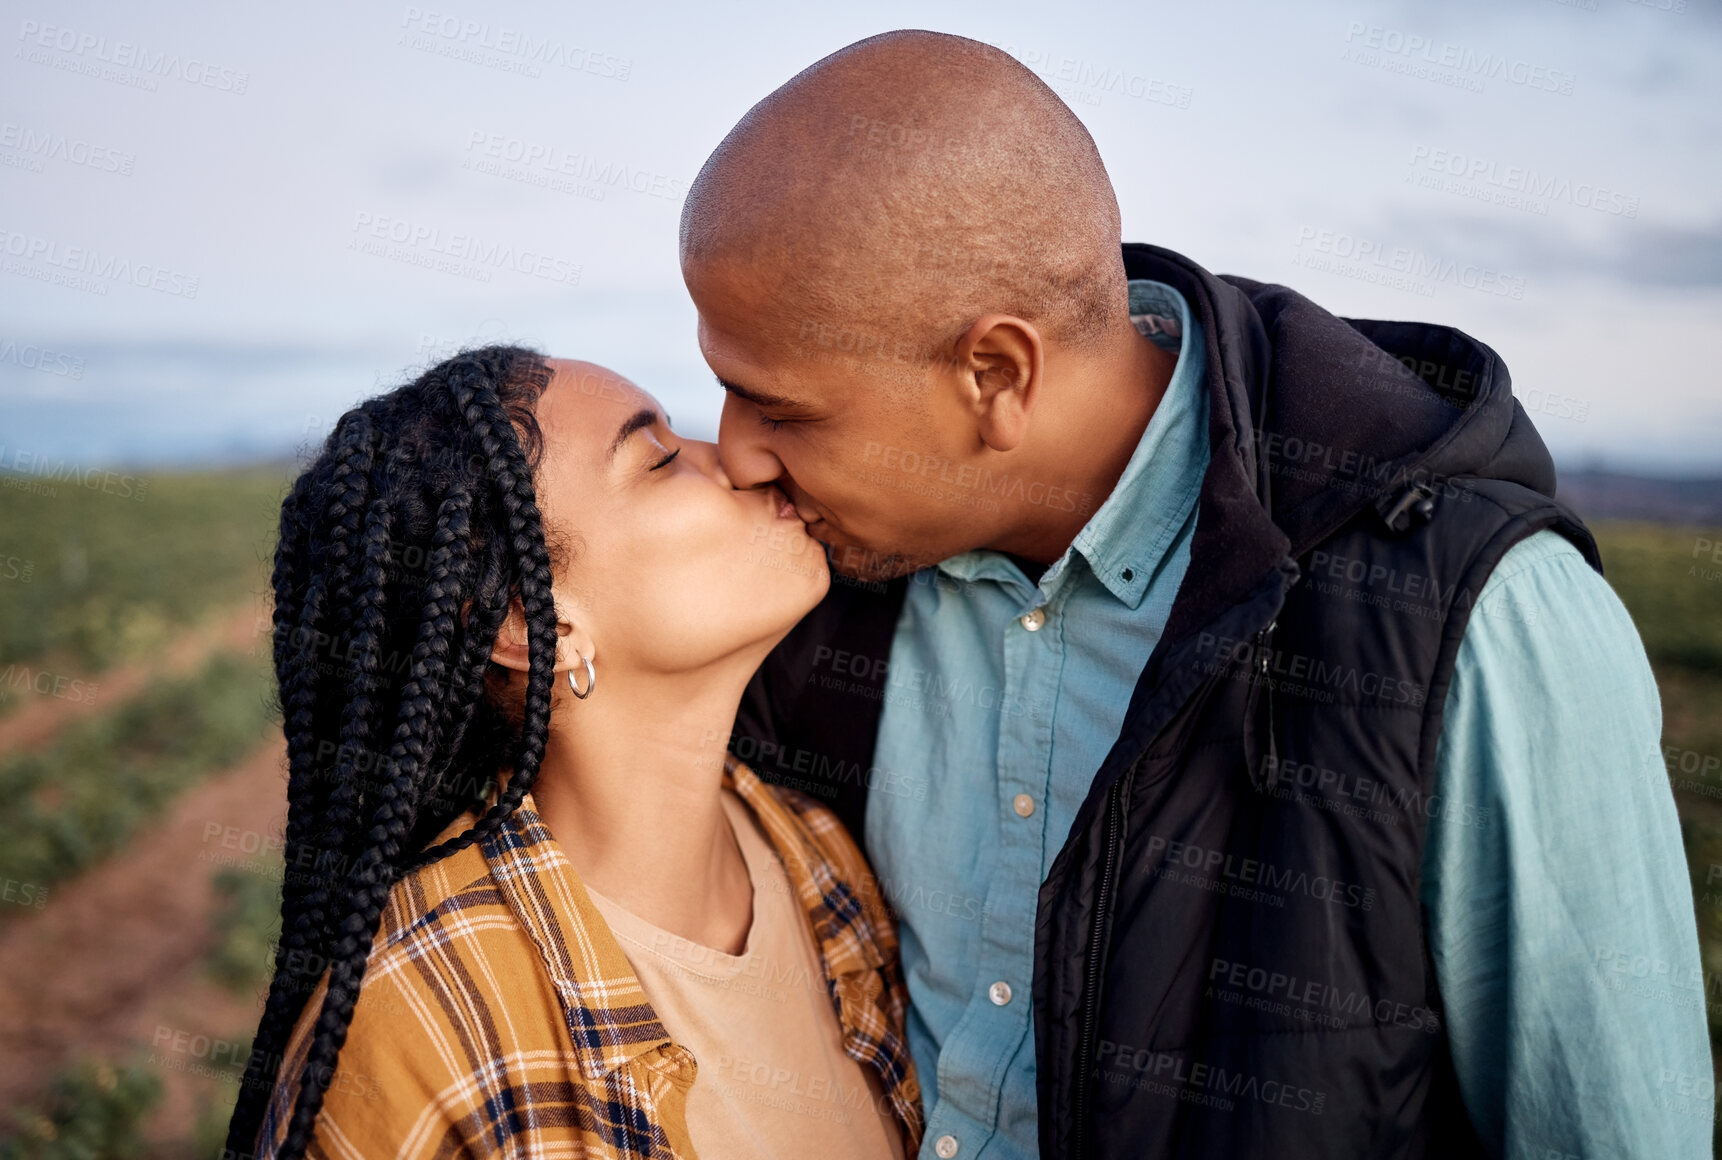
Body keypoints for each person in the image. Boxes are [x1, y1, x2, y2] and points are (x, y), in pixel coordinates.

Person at [683, 30, 1713, 1160]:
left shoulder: (1474, 620)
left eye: (778, 407)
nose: (735, 455)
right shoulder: (814, 578)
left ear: (997, 377)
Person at [223, 347, 922, 1159]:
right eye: (659, 458)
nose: (730, 458)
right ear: (532, 623)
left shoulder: (816, 853)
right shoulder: (417, 1027)